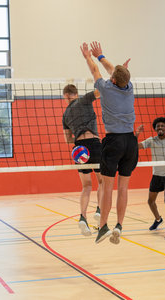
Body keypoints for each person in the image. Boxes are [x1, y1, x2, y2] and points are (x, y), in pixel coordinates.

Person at [81, 41, 138, 244]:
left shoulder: (105, 88)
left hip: (113, 141)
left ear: (113, 80)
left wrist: (90, 56)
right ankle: (119, 225)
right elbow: (113, 70)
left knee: (106, 186)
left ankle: (103, 225)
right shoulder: (128, 87)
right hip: (131, 143)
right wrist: (102, 56)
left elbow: (97, 69)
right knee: (123, 188)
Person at [62, 84, 103, 235]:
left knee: (86, 186)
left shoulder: (65, 114)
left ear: (66, 96)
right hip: (94, 144)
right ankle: (99, 209)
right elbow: (100, 92)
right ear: (76, 93)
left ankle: (82, 217)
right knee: (102, 181)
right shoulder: (84, 99)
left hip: (79, 149)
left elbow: (68, 139)